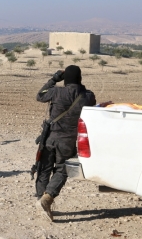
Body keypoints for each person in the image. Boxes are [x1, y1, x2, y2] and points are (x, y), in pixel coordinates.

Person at [35, 65, 96, 221]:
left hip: (50, 137)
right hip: (69, 140)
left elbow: (40, 95)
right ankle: (47, 197)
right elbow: (93, 107)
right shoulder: (87, 96)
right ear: (80, 78)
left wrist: (55, 78)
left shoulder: (56, 91)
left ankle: (40, 198)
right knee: (62, 169)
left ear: (66, 79)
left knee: (44, 168)